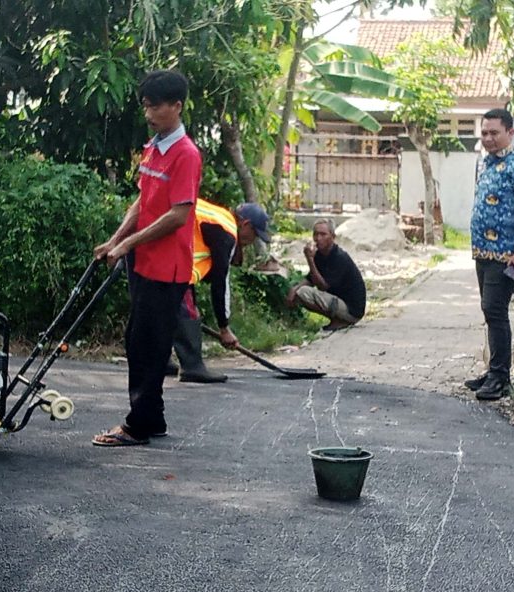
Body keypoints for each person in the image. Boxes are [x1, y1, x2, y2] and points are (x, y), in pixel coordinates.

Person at [92, 70, 200, 447]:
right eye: (146, 106)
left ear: (177, 106)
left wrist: (127, 245)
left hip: (167, 269)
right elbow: (144, 201)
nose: (150, 113)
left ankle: (138, 426)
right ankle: (151, 419)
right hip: (143, 262)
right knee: (140, 342)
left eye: (156, 106)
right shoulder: (153, 147)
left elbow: (177, 215)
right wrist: (115, 240)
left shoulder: (186, 155)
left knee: (148, 345)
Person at [465, 108, 514, 400]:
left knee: (496, 311)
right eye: (484, 133)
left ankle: (500, 377)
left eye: (494, 133)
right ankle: (494, 369)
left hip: (505, 256)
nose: (488, 138)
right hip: (483, 253)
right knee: (490, 311)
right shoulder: (486, 163)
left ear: (510, 132)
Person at [172, 200, 271, 384]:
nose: (251, 242)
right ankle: (192, 366)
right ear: (245, 224)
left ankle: (159, 360)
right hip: (173, 262)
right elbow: (220, 282)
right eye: (254, 235)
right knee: (188, 311)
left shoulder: (217, 216)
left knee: (161, 311)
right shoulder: (227, 231)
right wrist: (224, 328)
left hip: (156, 248)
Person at [286, 218, 366, 330]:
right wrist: (293, 290)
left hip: (352, 310)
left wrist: (310, 260)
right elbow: (310, 279)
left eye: (323, 234)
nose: (318, 238)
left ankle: (341, 320)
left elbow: (322, 286)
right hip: (338, 301)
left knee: (303, 292)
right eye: (316, 234)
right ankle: (337, 320)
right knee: (299, 291)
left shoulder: (339, 257)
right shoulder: (320, 254)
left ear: (333, 237)